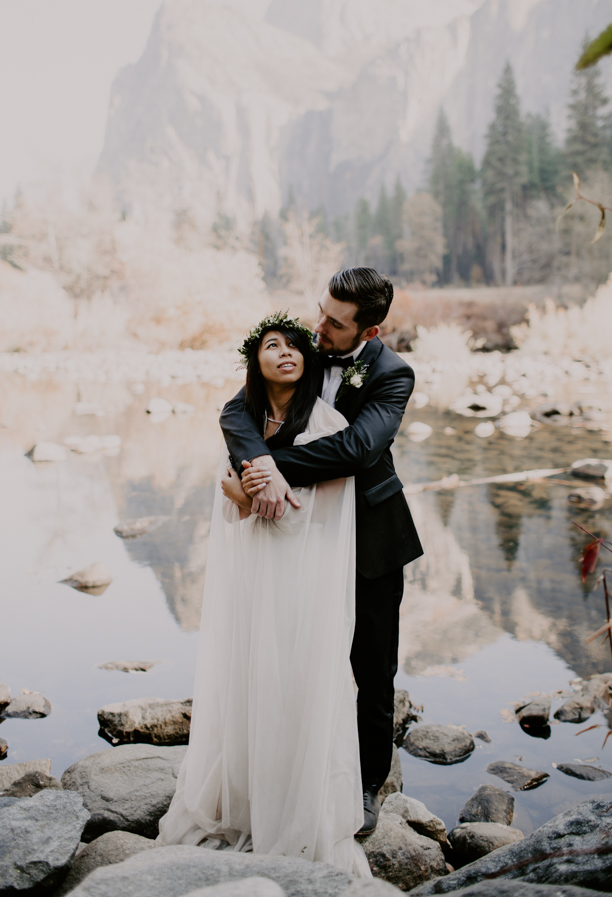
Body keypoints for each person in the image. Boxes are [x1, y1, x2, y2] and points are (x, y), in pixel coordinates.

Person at [158, 314, 370, 876]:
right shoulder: (244, 420)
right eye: (271, 346)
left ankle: (297, 808)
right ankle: (247, 797)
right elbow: (230, 490)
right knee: (250, 671)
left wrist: (259, 487)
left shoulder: (325, 420)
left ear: (307, 360)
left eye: (294, 346)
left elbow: (326, 507)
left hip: (305, 572)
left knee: (296, 676)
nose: (284, 353)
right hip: (253, 567)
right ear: (255, 362)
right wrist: (243, 490)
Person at [221, 268, 423, 836]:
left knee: (372, 668)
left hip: (371, 542)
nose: (319, 329)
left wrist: (266, 470)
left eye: (335, 323)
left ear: (371, 328)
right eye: (321, 312)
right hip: (299, 542)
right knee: (294, 657)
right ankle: (290, 772)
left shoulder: (392, 373)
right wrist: (251, 461)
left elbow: (360, 447)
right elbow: (237, 411)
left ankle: (366, 785)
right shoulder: (305, 347)